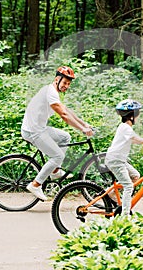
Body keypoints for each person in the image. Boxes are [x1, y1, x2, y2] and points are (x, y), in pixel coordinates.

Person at [21, 66, 93, 201]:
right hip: (32, 131)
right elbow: (64, 116)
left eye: (68, 84)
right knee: (57, 156)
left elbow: (66, 110)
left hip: (39, 128)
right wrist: (82, 129)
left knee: (65, 137)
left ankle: (54, 171)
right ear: (57, 79)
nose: (66, 86)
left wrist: (84, 124)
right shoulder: (50, 92)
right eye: (65, 83)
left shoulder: (53, 92)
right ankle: (36, 184)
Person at [105, 99, 143, 216]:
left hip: (118, 160)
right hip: (116, 161)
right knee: (128, 186)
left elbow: (137, 140)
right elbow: (137, 140)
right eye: (137, 113)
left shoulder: (125, 127)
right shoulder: (125, 128)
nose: (138, 116)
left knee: (135, 176)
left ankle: (111, 193)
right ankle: (125, 215)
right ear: (131, 115)